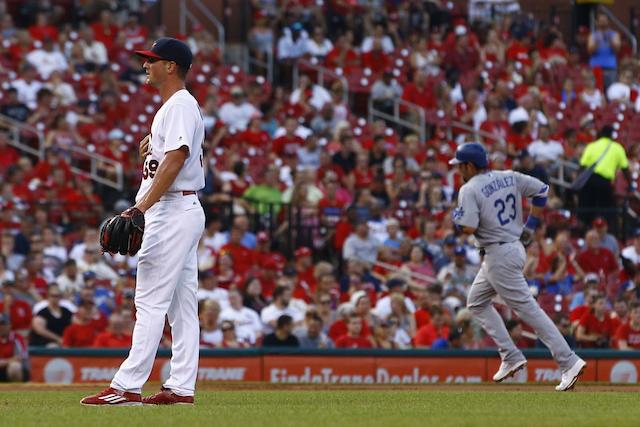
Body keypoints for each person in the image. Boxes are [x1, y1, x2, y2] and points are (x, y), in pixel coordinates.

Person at [82, 38, 205, 406]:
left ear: (172, 66)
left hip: (171, 210)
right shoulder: (174, 107)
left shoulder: (180, 104)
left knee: (150, 301)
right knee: (182, 304)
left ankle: (126, 386)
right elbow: (177, 157)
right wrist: (149, 161)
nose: (145, 65)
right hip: (179, 207)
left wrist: (140, 208)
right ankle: (181, 387)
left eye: (152, 60)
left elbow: (179, 156)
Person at [450, 142, 585, 391]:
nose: (459, 170)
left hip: (498, 253)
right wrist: (530, 227)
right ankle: (510, 355)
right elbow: (542, 191)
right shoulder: (508, 176)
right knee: (476, 301)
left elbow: (468, 227)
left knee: (528, 310)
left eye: (460, 166)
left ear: (469, 165)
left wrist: (455, 216)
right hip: (511, 248)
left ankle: (568, 361)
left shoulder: (468, 189)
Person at [577, 125, 631, 229]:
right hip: (604, 183)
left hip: (589, 181)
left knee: (587, 210)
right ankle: (606, 231)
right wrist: (630, 184)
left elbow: (582, 166)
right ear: (611, 135)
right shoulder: (617, 147)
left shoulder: (591, 146)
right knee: (606, 211)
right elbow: (625, 169)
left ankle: (584, 232)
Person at [0, 313, 28, 382]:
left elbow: (21, 357)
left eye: (4, 324)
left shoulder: (17, 337)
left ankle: (17, 390)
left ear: (10, 325)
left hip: (11, 368)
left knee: (15, 367)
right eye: (1, 324)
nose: (2, 327)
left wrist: (5, 362)